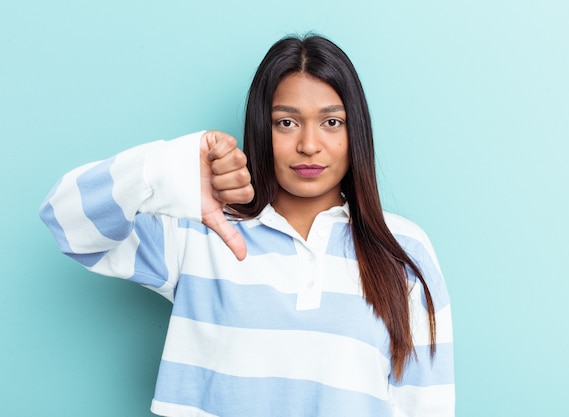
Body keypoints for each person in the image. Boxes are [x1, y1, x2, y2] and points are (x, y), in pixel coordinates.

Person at [40, 34, 455, 417]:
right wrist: (169, 171)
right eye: (286, 122)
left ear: (355, 132)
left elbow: (425, 405)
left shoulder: (402, 248)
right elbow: (66, 221)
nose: (309, 144)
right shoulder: (200, 230)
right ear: (261, 128)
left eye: (332, 122)